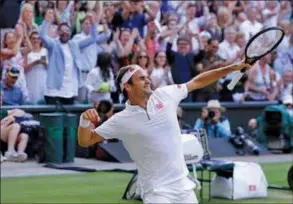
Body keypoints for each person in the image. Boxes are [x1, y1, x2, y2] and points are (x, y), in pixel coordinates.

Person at [77, 60, 252, 203]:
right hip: (156, 191)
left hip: (184, 186)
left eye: (147, 77)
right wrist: (84, 121)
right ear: (127, 87)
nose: (147, 80)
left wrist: (233, 67)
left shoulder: (165, 94)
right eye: (141, 78)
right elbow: (86, 141)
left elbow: (198, 81)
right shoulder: (120, 119)